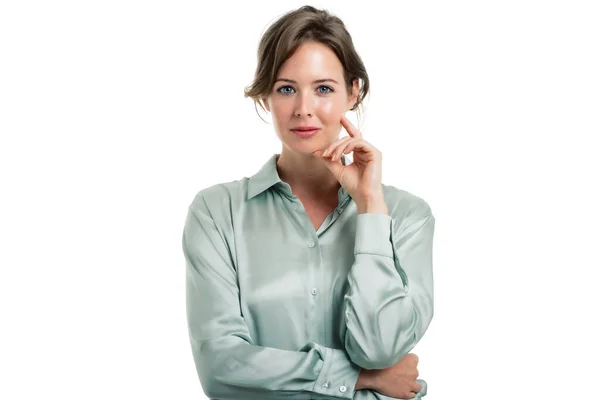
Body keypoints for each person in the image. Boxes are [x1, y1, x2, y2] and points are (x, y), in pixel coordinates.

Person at [182, 5, 435, 399]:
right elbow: (221, 367)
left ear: (354, 92)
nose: (303, 108)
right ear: (265, 96)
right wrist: (361, 378)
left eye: (323, 88)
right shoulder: (218, 213)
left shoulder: (405, 217)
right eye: (286, 88)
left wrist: (370, 210)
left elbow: (379, 347)